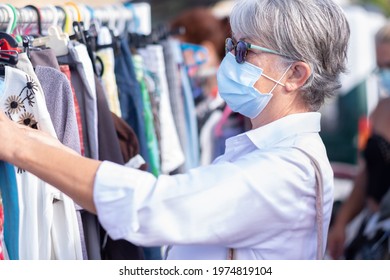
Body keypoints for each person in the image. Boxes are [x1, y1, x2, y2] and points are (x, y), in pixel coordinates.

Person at [0, 0, 350, 260]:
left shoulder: (285, 172)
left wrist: (21, 146)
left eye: (243, 50)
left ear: (295, 75)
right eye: (230, 45)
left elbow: (150, 205)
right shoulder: (280, 154)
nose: (230, 59)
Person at [327, 22, 390, 260]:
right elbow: (365, 175)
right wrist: (341, 224)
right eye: (380, 67)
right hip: (373, 231)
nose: (385, 74)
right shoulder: (381, 108)